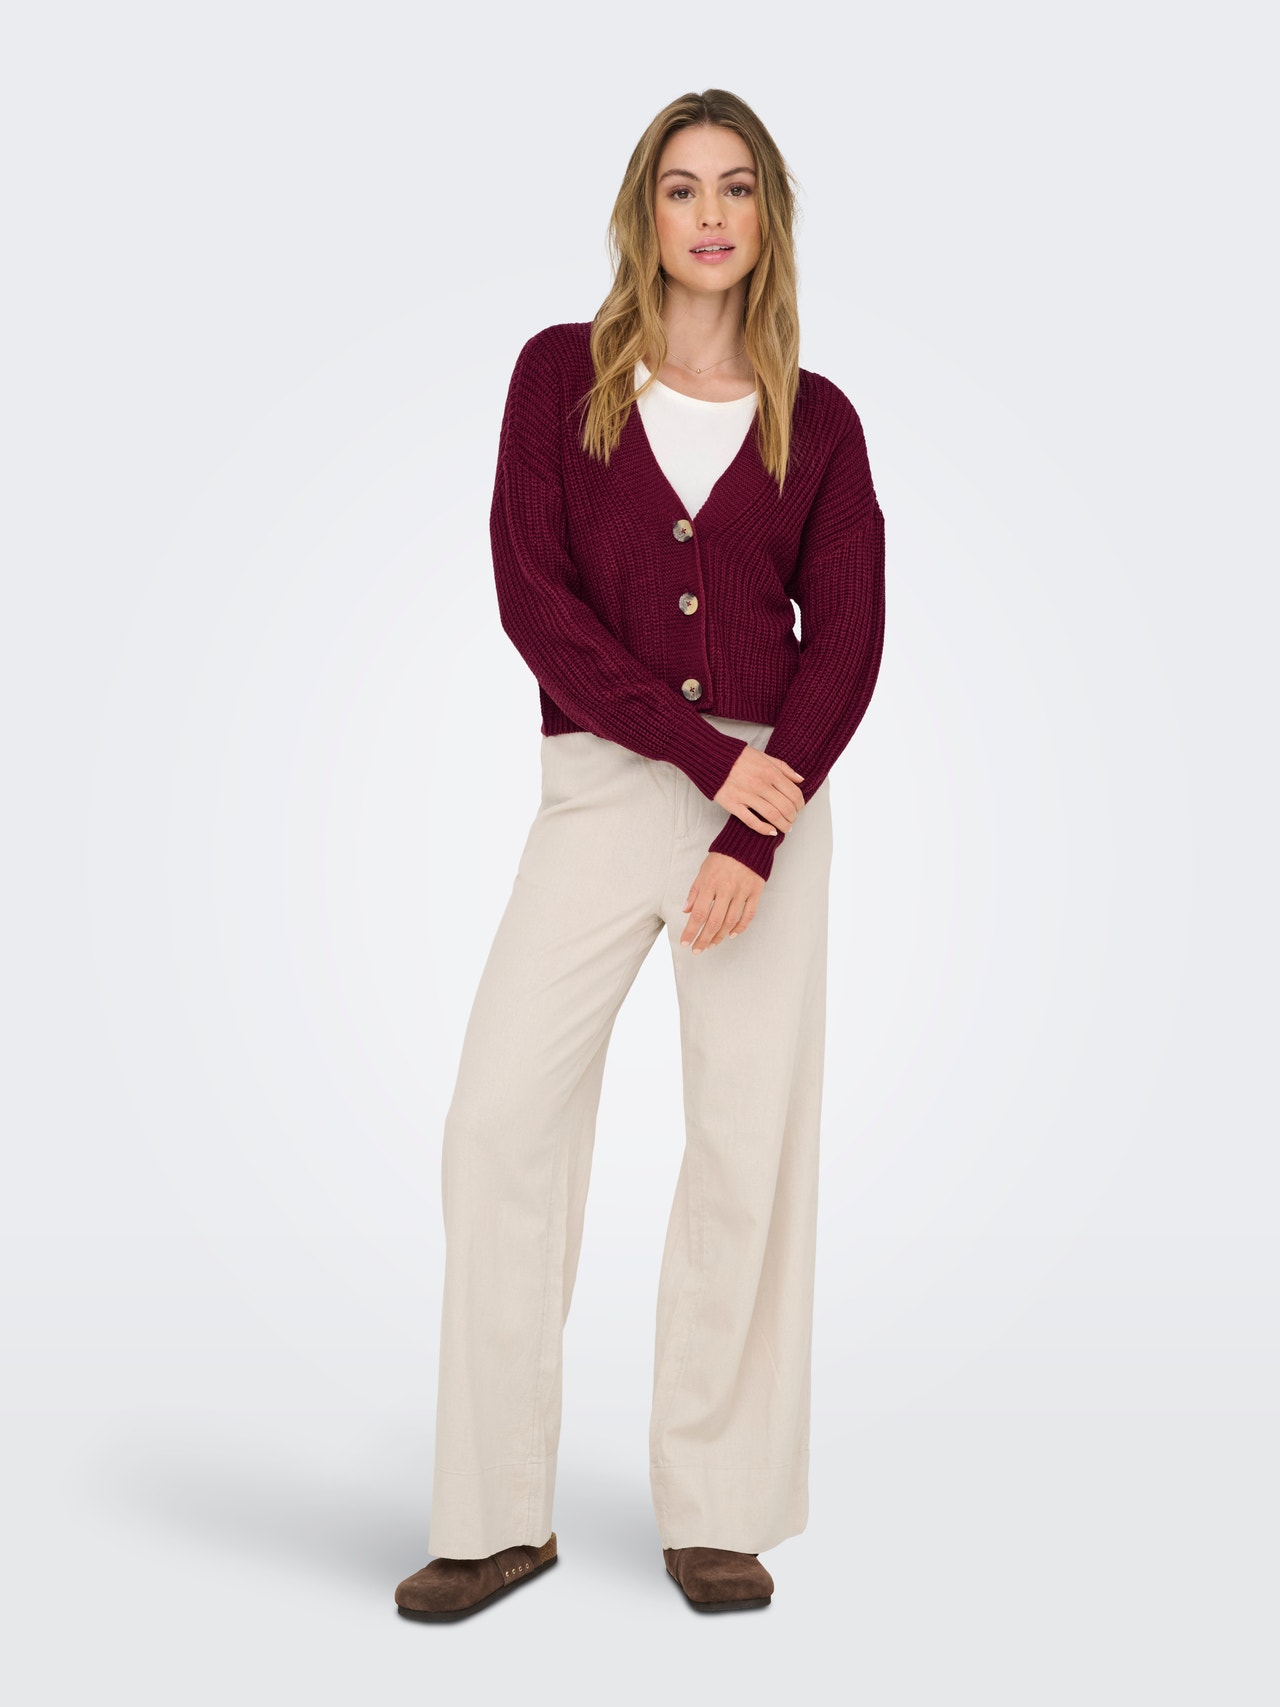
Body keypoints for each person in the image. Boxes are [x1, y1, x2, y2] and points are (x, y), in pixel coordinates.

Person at [395, 87, 886, 1621]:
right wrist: (698, 760)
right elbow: (533, 598)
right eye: (683, 188)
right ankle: (495, 1517)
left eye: (737, 188)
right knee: (498, 1124)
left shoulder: (818, 415)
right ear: (645, 211)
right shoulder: (563, 376)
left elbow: (847, 637)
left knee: (749, 1139)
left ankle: (719, 1509)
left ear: (769, 217)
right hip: (609, 783)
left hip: (771, 799)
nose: (710, 215)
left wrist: (755, 824)